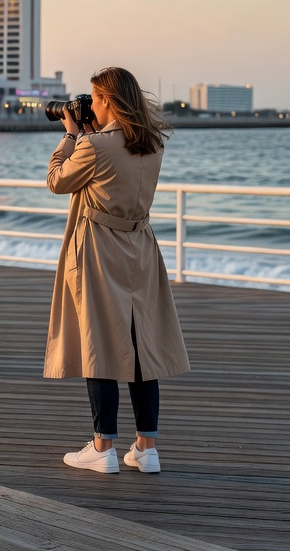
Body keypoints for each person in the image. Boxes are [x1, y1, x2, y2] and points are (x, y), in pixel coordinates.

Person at [46, 67, 190, 475]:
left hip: (100, 247)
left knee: (100, 344)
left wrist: (71, 135)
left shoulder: (94, 145)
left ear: (108, 100)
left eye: (93, 98)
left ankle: (102, 447)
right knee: (141, 344)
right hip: (141, 246)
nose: (89, 105)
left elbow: (57, 180)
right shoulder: (152, 143)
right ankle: (147, 448)